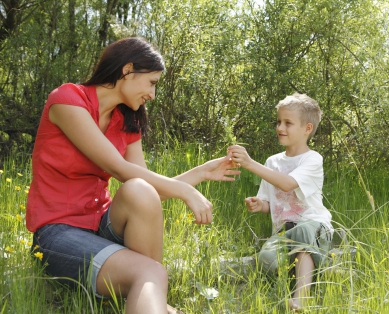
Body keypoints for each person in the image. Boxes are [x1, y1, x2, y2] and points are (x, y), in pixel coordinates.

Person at [26, 37, 240, 314]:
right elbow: (117, 167)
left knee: (139, 190)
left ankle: (149, 295)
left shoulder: (127, 121)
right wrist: (186, 192)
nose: (152, 94)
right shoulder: (67, 100)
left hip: (102, 227)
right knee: (150, 272)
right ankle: (154, 296)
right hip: (58, 235)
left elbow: (148, 191)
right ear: (127, 70)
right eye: (152, 82)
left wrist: (199, 174)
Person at [227, 93, 333, 310]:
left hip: (314, 226)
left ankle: (300, 299)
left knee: (304, 232)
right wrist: (259, 205)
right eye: (278, 122)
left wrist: (249, 163)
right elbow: (271, 202)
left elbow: (287, 184)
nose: (280, 127)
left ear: (307, 129)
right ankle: (292, 278)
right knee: (266, 257)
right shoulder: (272, 162)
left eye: (288, 123)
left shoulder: (312, 159)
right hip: (284, 232)